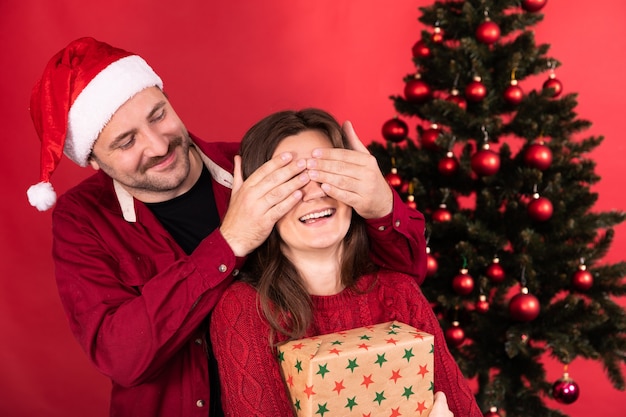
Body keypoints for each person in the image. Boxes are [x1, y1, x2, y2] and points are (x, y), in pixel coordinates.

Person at [26, 38, 428, 417]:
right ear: (94, 160)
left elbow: (399, 277)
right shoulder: (83, 220)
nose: (158, 144)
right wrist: (230, 242)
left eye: (158, 115)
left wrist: (381, 206)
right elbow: (121, 356)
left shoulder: (256, 165)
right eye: (126, 142)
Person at [210, 108, 482, 417]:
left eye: (327, 174)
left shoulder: (399, 292)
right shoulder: (245, 310)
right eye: (290, 181)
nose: (313, 193)